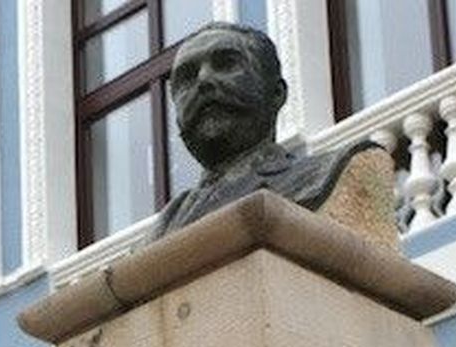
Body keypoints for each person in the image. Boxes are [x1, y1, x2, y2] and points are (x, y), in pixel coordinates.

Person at [152, 21, 380, 238]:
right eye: (187, 76)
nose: (203, 80)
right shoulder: (164, 227)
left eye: (226, 64)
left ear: (276, 94)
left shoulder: (326, 174)